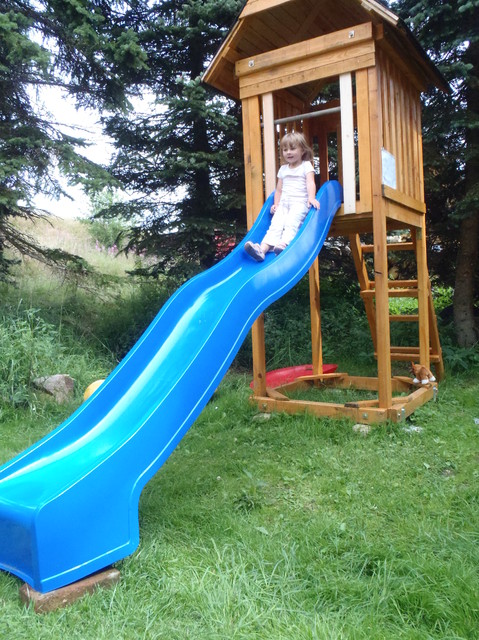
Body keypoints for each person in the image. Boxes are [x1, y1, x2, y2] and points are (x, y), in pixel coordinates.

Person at [244, 132, 320, 262]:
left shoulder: (306, 165)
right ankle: (262, 249)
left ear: (302, 150)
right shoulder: (283, 169)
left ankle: (284, 244)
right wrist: (276, 204)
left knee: (291, 223)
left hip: (299, 203)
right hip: (284, 204)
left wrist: (311, 198)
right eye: (285, 150)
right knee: (275, 225)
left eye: (292, 148)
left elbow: (310, 183)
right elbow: (278, 190)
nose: (288, 152)